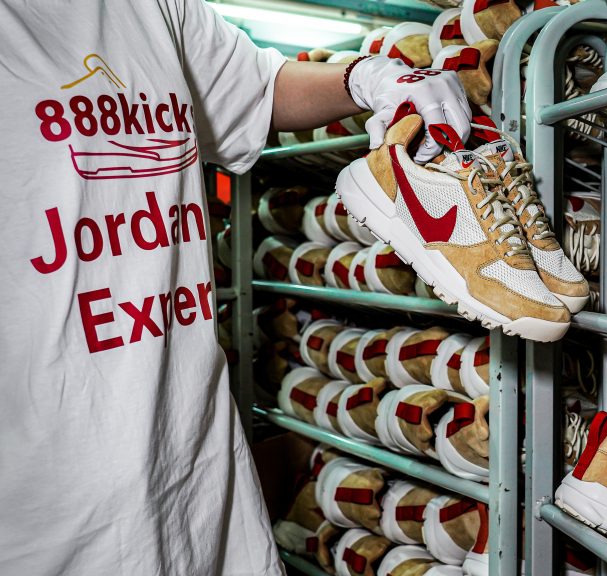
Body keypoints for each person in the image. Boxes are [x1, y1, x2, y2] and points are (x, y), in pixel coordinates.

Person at [0, 1, 472, 574]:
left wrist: (368, 77)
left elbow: (254, 89)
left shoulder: (151, 6)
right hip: (45, 503)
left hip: (194, 468)